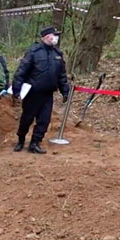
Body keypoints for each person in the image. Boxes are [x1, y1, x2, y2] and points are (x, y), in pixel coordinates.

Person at [12, 26, 70, 155]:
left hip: (48, 94)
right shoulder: (33, 52)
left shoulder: (58, 55)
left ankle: (35, 142)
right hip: (32, 93)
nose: (56, 37)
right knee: (27, 119)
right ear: (46, 37)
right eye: (54, 35)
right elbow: (21, 72)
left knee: (44, 120)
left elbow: (62, 76)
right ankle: (21, 140)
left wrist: (65, 91)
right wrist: (16, 90)